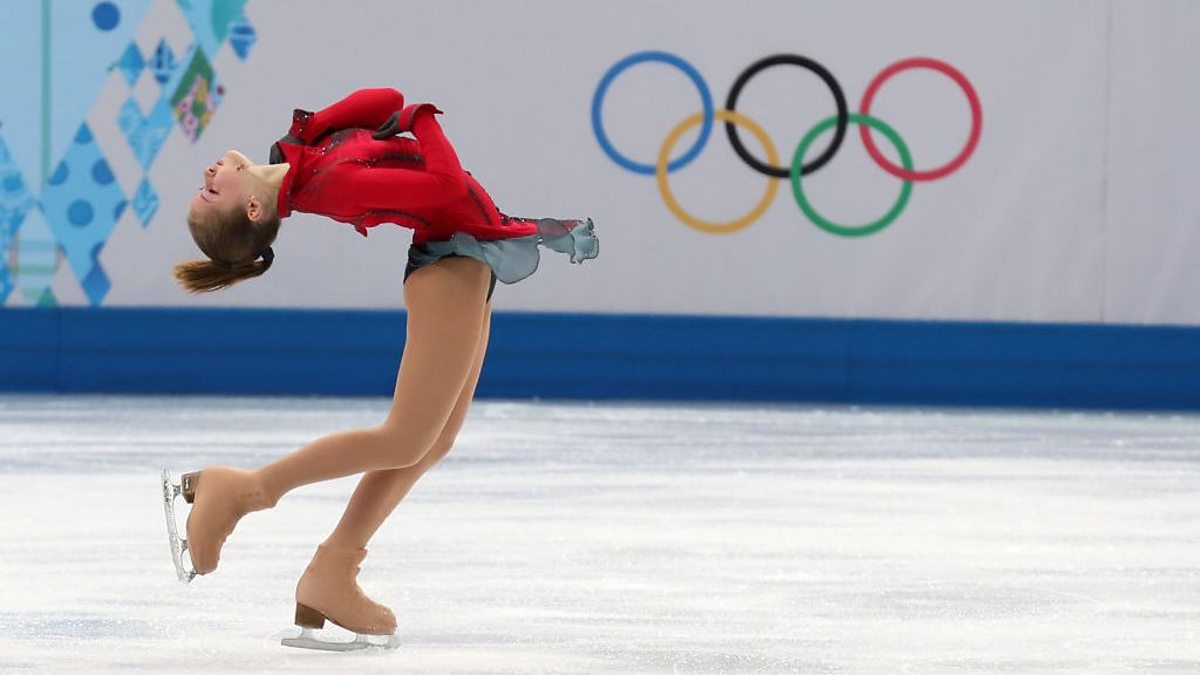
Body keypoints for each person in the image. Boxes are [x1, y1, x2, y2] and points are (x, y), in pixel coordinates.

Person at [170, 87, 598, 647]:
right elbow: (442, 183)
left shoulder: (295, 150)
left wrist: (331, 122)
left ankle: (333, 570)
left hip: (469, 260)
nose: (208, 170)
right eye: (209, 190)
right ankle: (247, 490)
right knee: (404, 437)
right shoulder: (331, 186)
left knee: (433, 440)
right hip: (449, 264)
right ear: (252, 210)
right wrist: (422, 123)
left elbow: (383, 99)